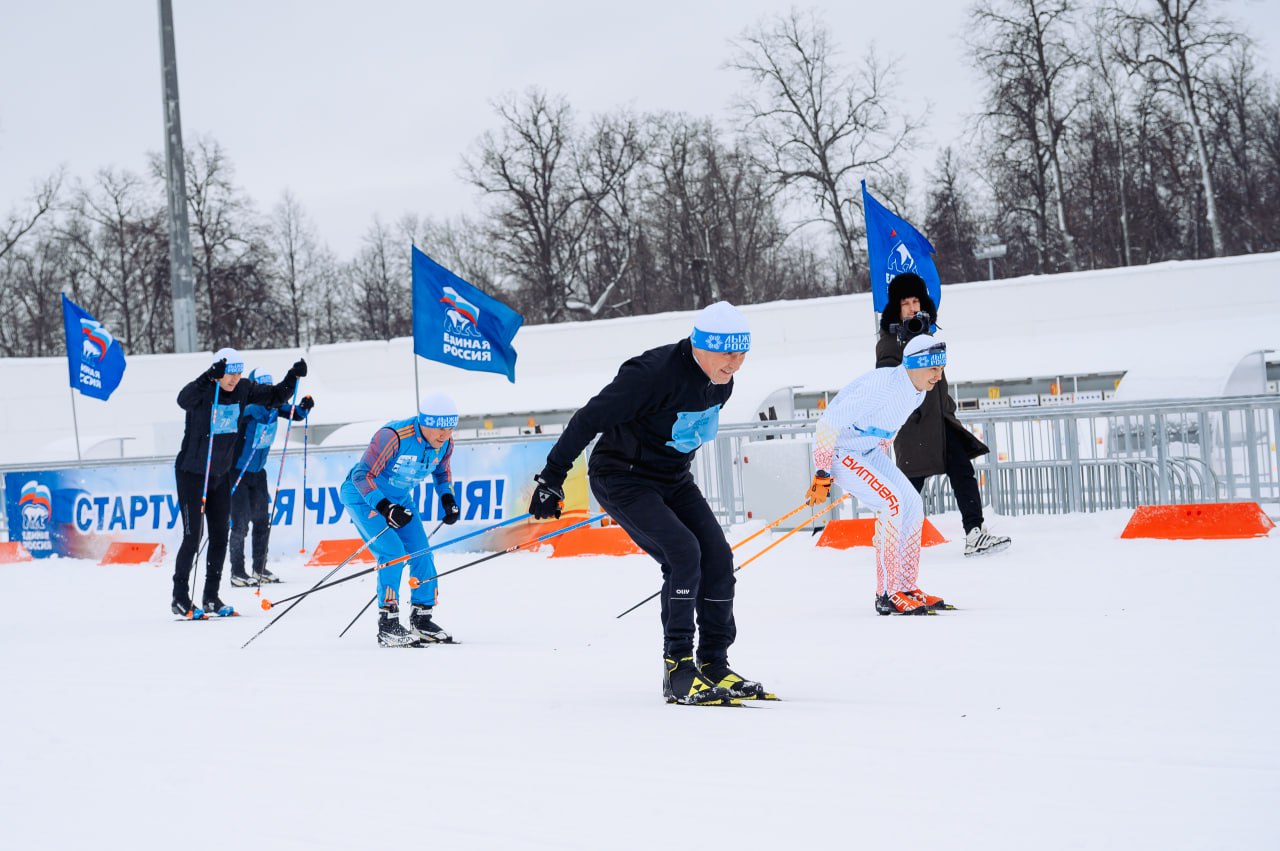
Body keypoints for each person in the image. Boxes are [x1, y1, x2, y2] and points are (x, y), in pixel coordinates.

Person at [527, 301, 772, 706]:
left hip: (672, 478)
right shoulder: (651, 375)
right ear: (704, 346)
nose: (737, 363)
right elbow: (588, 419)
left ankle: (713, 662)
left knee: (717, 557)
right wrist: (552, 478)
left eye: (742, 353)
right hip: (621, 476)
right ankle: (678, 668)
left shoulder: (722, 380)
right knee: (682, 552)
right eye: (729, 353)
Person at [808, 334, 952, 615]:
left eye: (942, 368)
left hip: (869, 452)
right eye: (933, 368)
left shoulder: (919, 391)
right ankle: (886, 593)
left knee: (912, 503)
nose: (939, 376)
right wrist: (823, 472)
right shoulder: (883, 386)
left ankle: (906, 586)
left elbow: (887, 422)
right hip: (842, 452)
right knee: (891, 503)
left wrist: (883, 441)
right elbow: (827, 424)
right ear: (914, 365)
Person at [875, 272, 1011, 557]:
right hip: (914, 427)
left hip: (942, 421)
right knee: (909, 487)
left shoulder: (926, 335)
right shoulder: (889, 342)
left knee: (963, 471)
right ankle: (890, 538)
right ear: (896, 308)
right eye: (906, 303)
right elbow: (888, 383)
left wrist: (948, 409)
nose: (912, 308)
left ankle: (974, 531)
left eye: (916, 301)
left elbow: (938, 378)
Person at [172, 348, 307, 617]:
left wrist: (292, 376)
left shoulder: (244, 389)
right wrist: (207, 377)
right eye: (229, 374)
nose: (234, 379)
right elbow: (183, 400)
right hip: (193, 474)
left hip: (220, 475)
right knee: (193, 536)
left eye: (237, 373)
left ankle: (211, 597)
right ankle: (180, 597)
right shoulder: (204, 391)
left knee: (221, 535)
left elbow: (276, 395)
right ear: (218, 373)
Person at [338, 393, 462, 648]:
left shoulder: (445, 443)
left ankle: (421, 618)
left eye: (450, 427)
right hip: (363, 496)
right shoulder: (393, 436)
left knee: (422, 553)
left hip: (399, 499)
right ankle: (388, 623)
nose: (445, 434)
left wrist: (447, 499)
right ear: (424, 422)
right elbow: (362, 475)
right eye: (440, 427)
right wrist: (385, 507)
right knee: (393, 552)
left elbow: (442, 472)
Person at [227, 370, 315, 587]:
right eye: (263, 391)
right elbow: (240, 416)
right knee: (239, 524)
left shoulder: (274, 407)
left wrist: (305, 405)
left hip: (258, 472)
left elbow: (297, 413)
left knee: (262, 521)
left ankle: (259, 568)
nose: (267, 397)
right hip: (238, 472)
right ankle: (237, 571)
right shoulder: (248, 409)